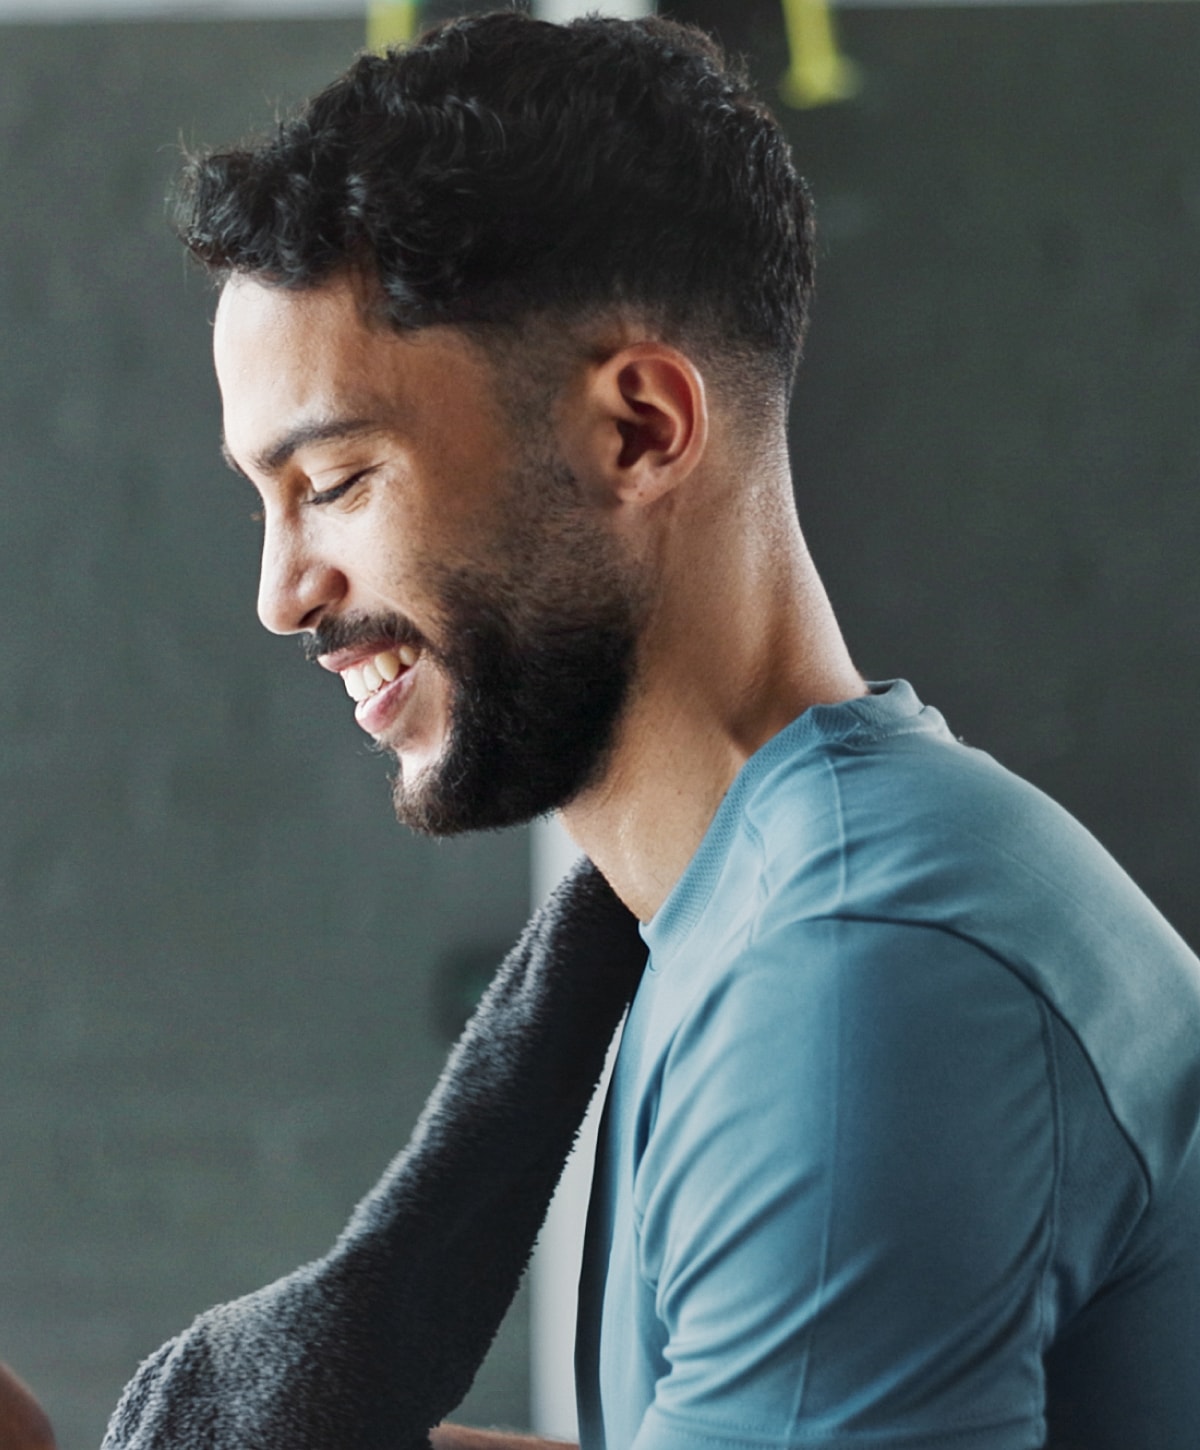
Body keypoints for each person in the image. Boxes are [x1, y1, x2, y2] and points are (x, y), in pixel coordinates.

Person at [179, 10, 1200, 1449]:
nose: (285, 595)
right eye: (262, 499)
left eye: (337, 477)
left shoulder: (856, 969)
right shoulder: (778, 903)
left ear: (641, 429)